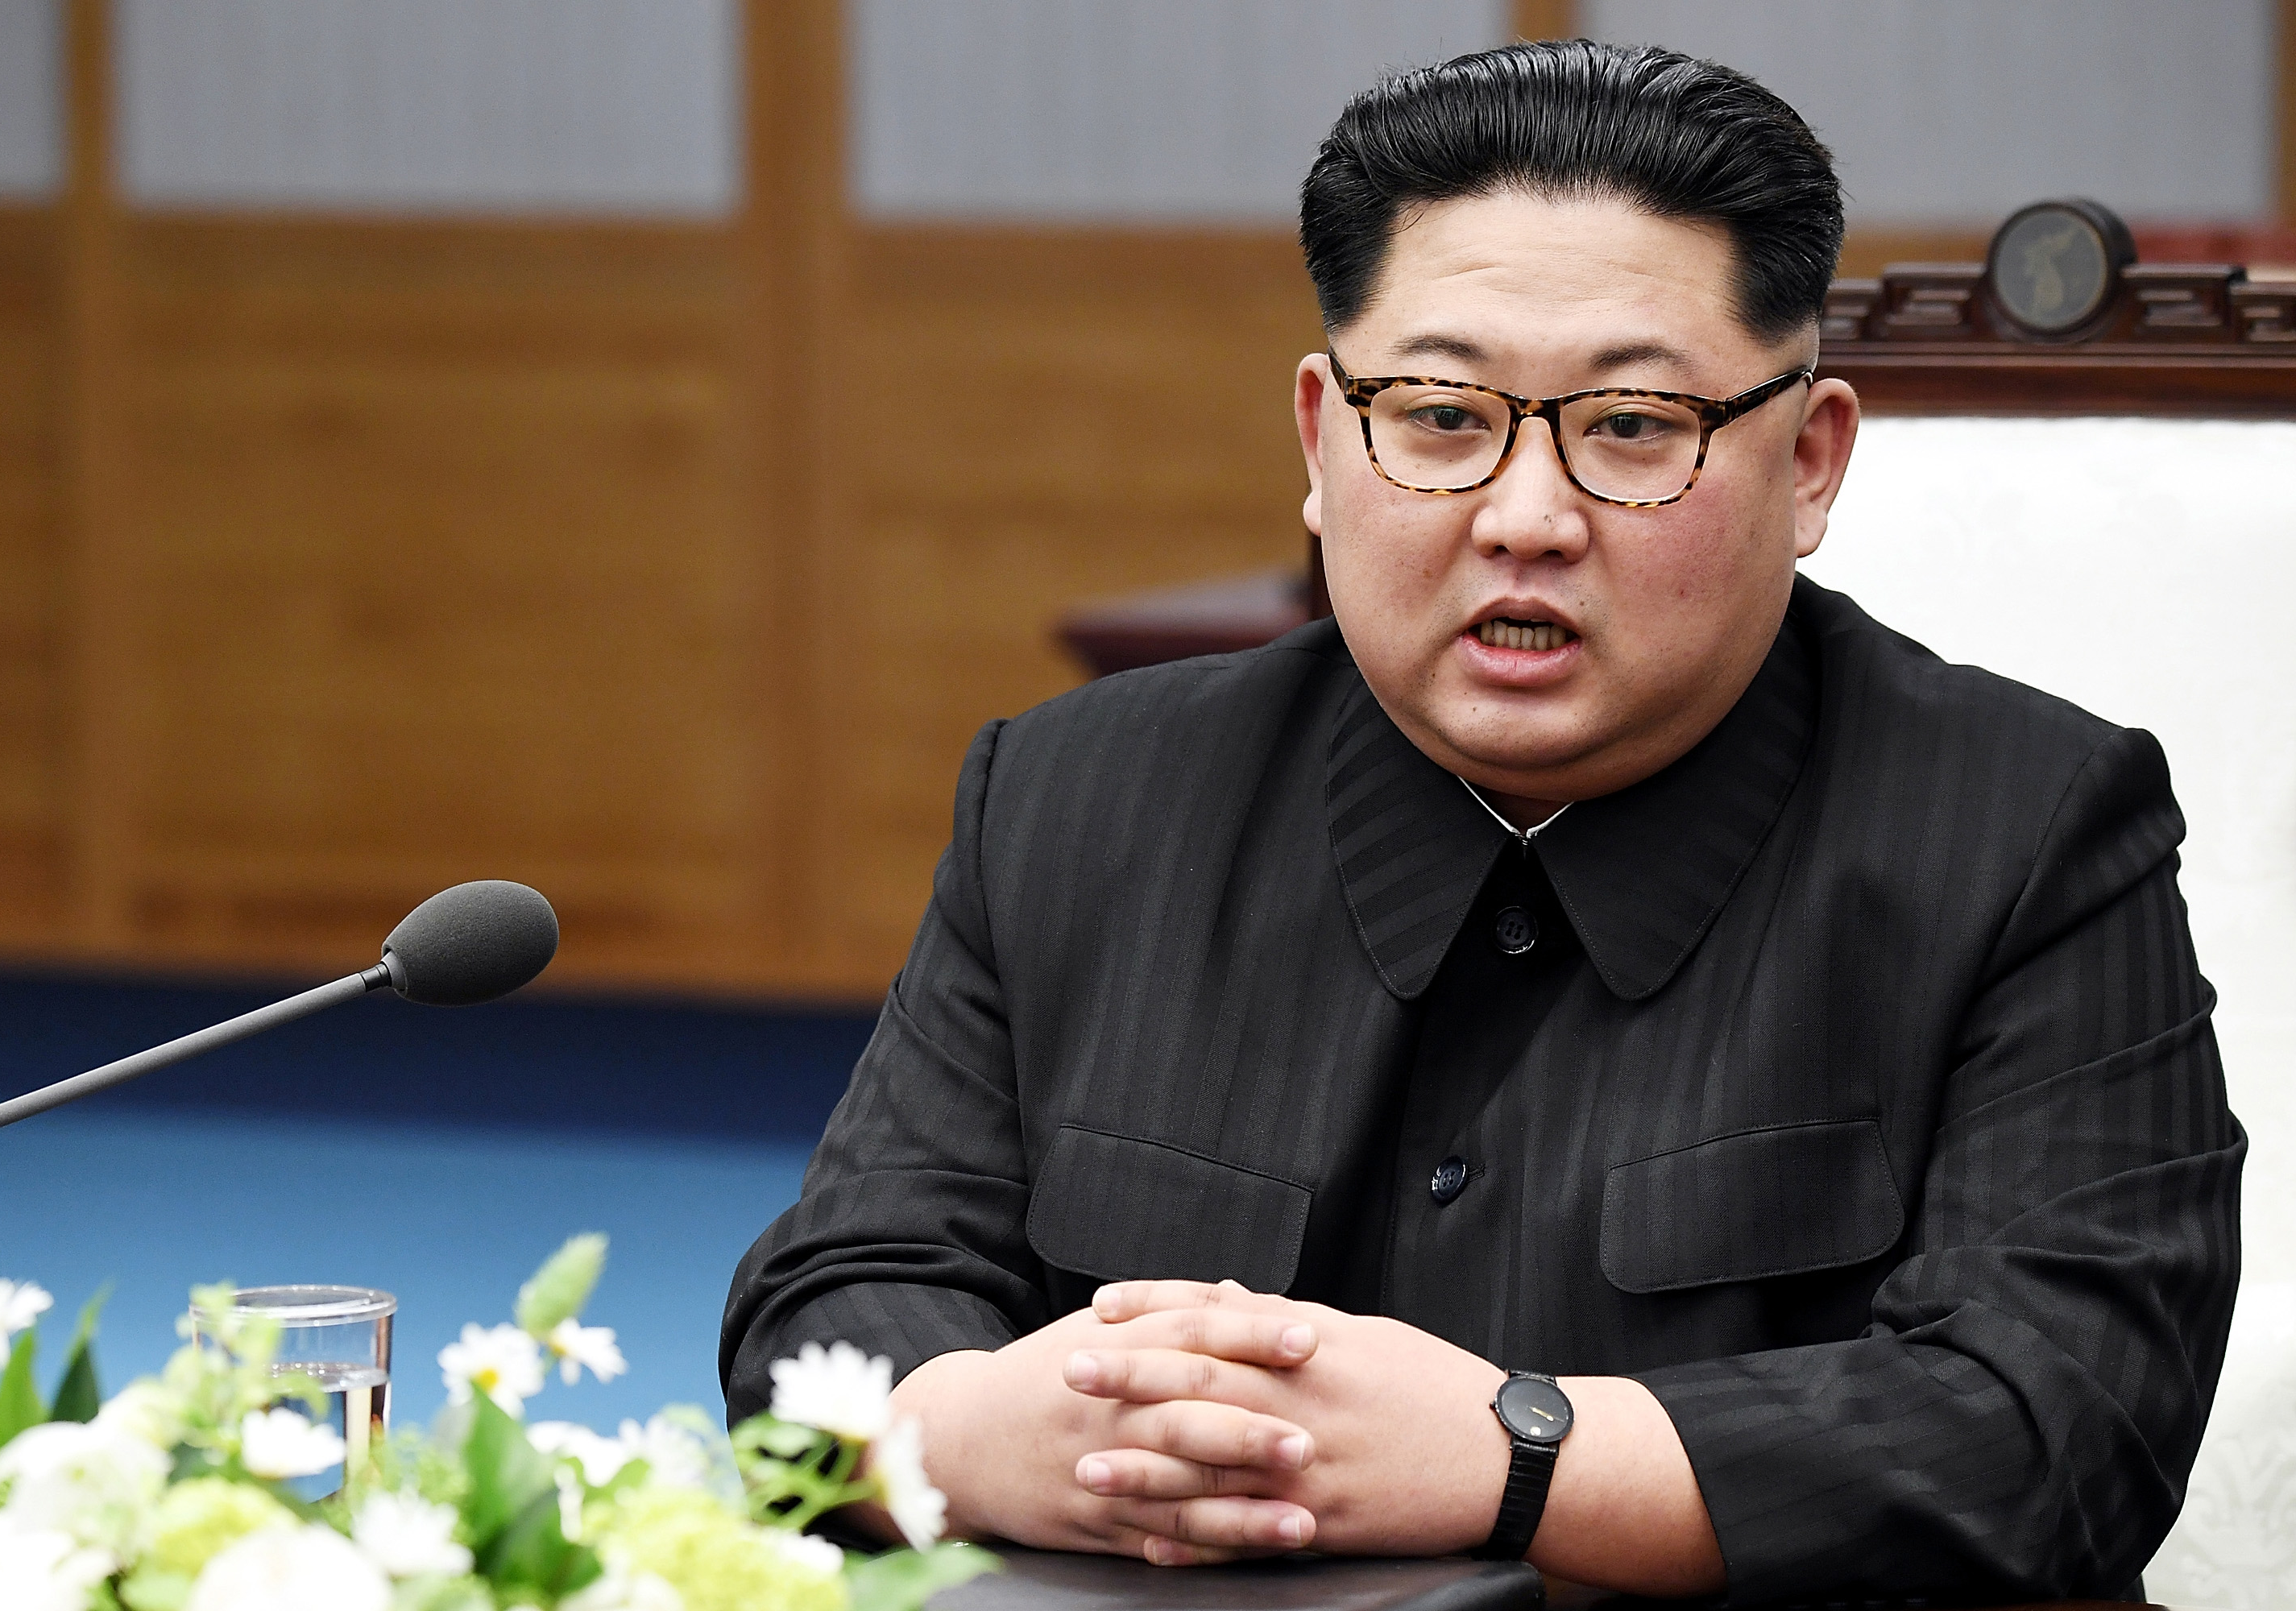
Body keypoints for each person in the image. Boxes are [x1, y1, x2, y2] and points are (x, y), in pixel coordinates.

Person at [721, 40, 2241, 1603]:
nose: (1526, 515)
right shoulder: (1074, 798)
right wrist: (976, 1427)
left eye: (1636, 427)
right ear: (1322, 438)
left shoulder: (2031, 832)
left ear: (1812, 461)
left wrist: (1514, 1449)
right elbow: (835, 1305)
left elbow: (2061, 1425)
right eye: (1443, 415)